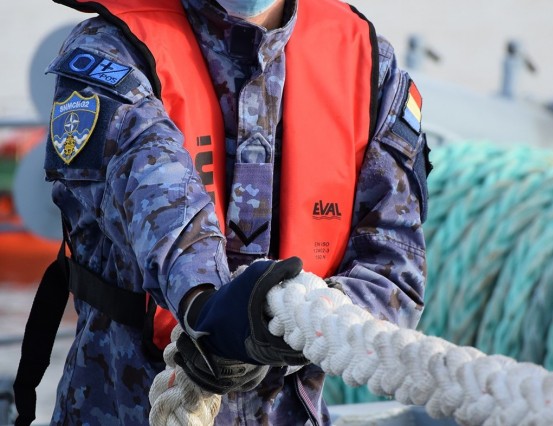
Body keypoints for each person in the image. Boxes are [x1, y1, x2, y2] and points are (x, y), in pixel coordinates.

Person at [16, 0, 431, 424]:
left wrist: (299, 319)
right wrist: (213, 308)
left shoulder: (369, 65)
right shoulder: (110, 54)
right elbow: (157, 202)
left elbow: (394, 272)